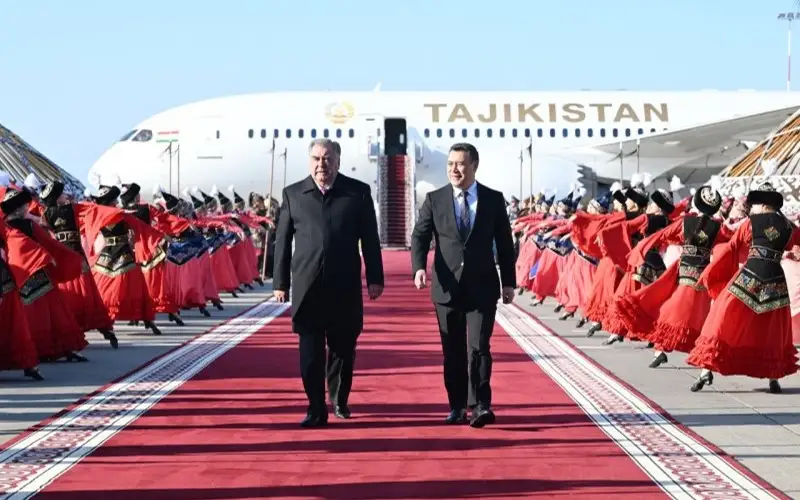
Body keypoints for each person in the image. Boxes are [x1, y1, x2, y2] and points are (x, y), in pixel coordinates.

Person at [273, 138, 384, 428]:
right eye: (316, 159)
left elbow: (370, 240)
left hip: (344, 286)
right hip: (307, 287)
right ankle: (314, 407)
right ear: (309, 161)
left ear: (338, 161)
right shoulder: (293, 194)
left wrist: (375, 277)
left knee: (343, 349)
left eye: (327, 159)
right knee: (309, 352)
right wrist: (280, 282)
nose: (322, 165)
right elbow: (283, 243)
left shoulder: (357, 193)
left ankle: (339, 399)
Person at [410, 142, 516, 428]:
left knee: (479, 347)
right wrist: (419, 267)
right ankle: (456, 405)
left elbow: (505, 244)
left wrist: (509, 281)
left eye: (460, 164)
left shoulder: (493, 200)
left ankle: (481, 404)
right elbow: (419, 236)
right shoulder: (435, 199)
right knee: (453, 351)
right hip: (447, 289)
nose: (454, 170)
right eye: (450, 164)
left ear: (474, 166)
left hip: (482, 287)